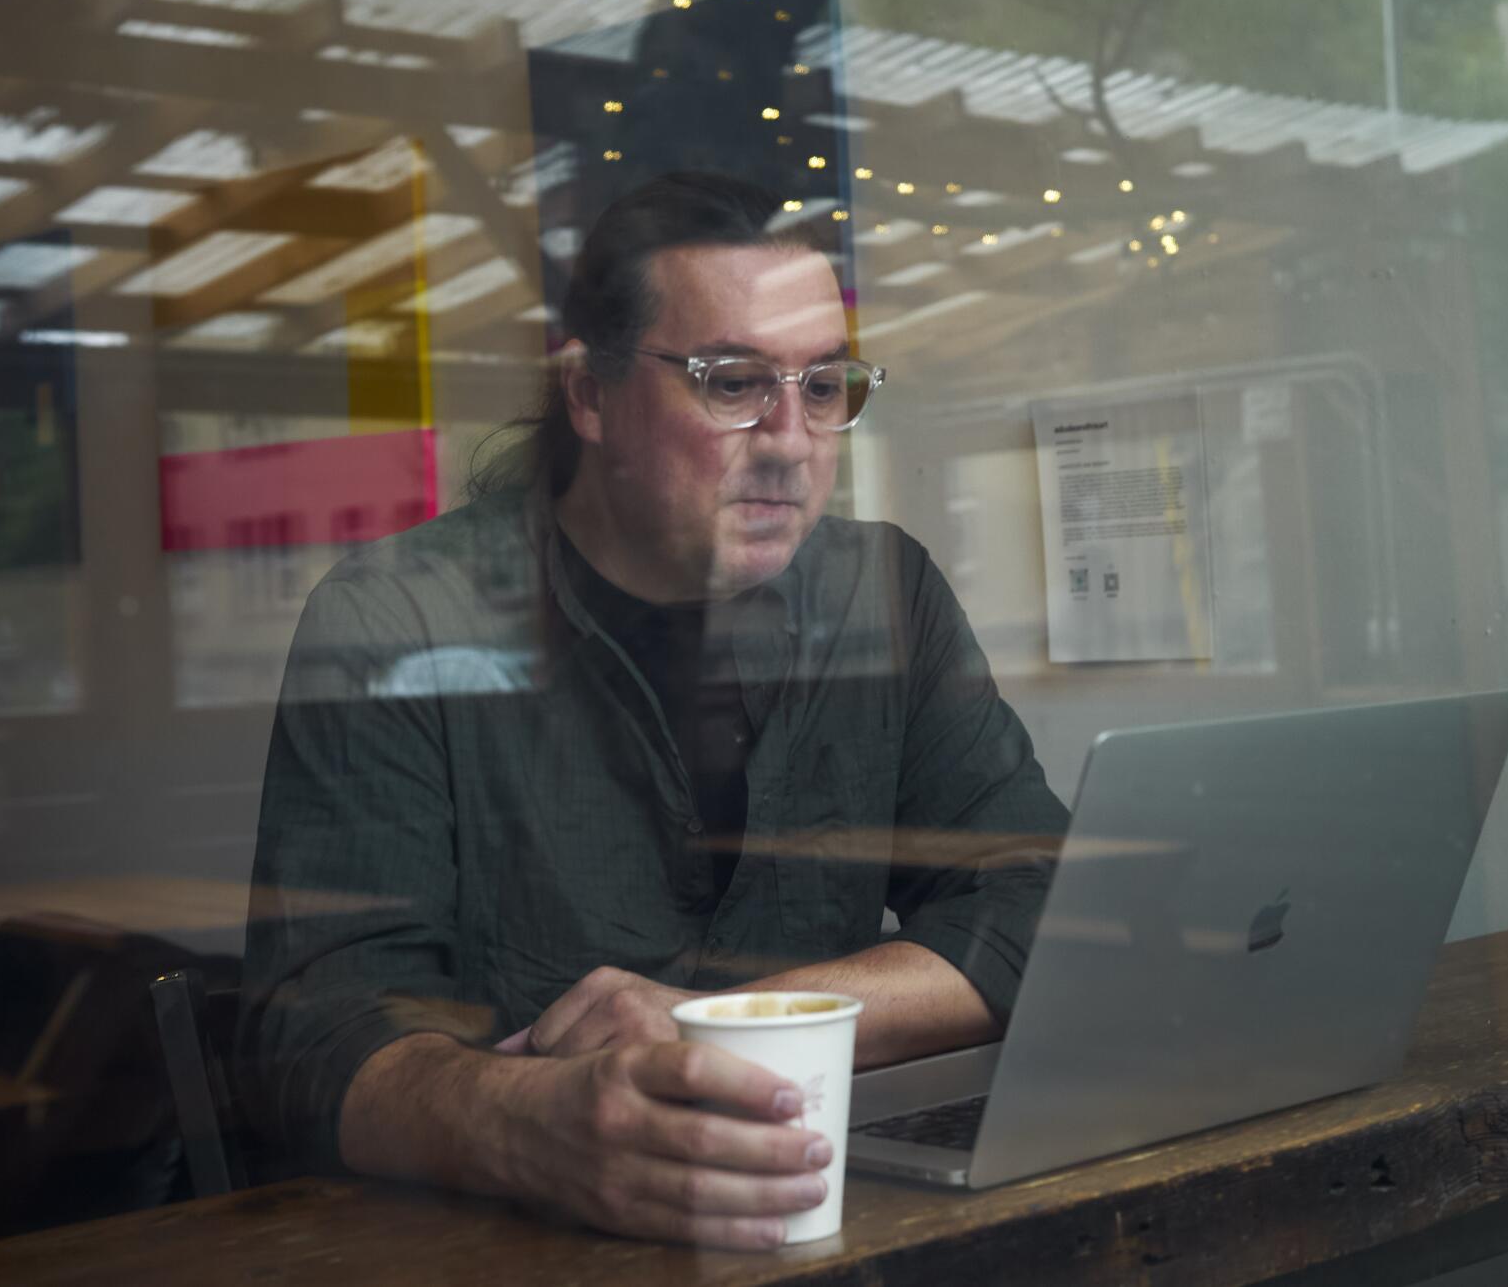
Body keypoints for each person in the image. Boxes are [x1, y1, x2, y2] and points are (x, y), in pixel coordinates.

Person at [242, 171, 1069, 1249]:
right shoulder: (397, 617)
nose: (787, 438)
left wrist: (729, 1031)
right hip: (501, 1255)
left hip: (818, 1219)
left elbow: (1036, 903)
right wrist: (523, 1124)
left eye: (822, 387)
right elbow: (317, 1035)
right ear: (587, 394)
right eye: (732, 383)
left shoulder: (882, 593)